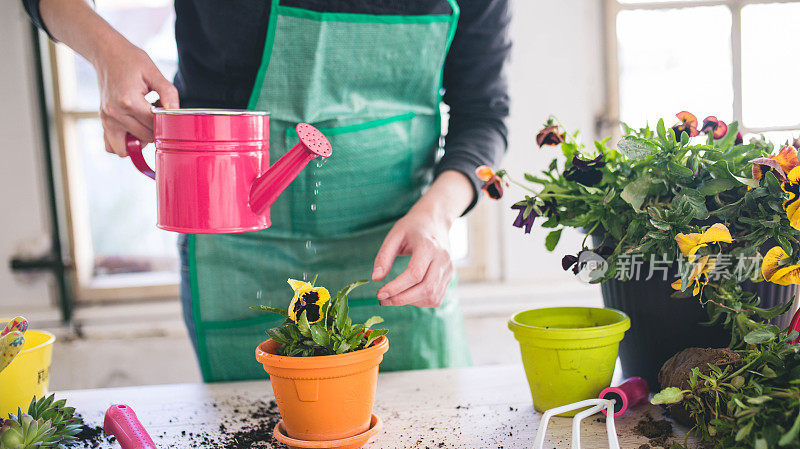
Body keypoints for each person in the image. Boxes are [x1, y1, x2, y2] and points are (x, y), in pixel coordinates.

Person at [23, 0, 511, 380]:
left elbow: (484, 114)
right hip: (236, 255)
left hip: (396, 258)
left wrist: (437, 215)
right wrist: (107, 51)